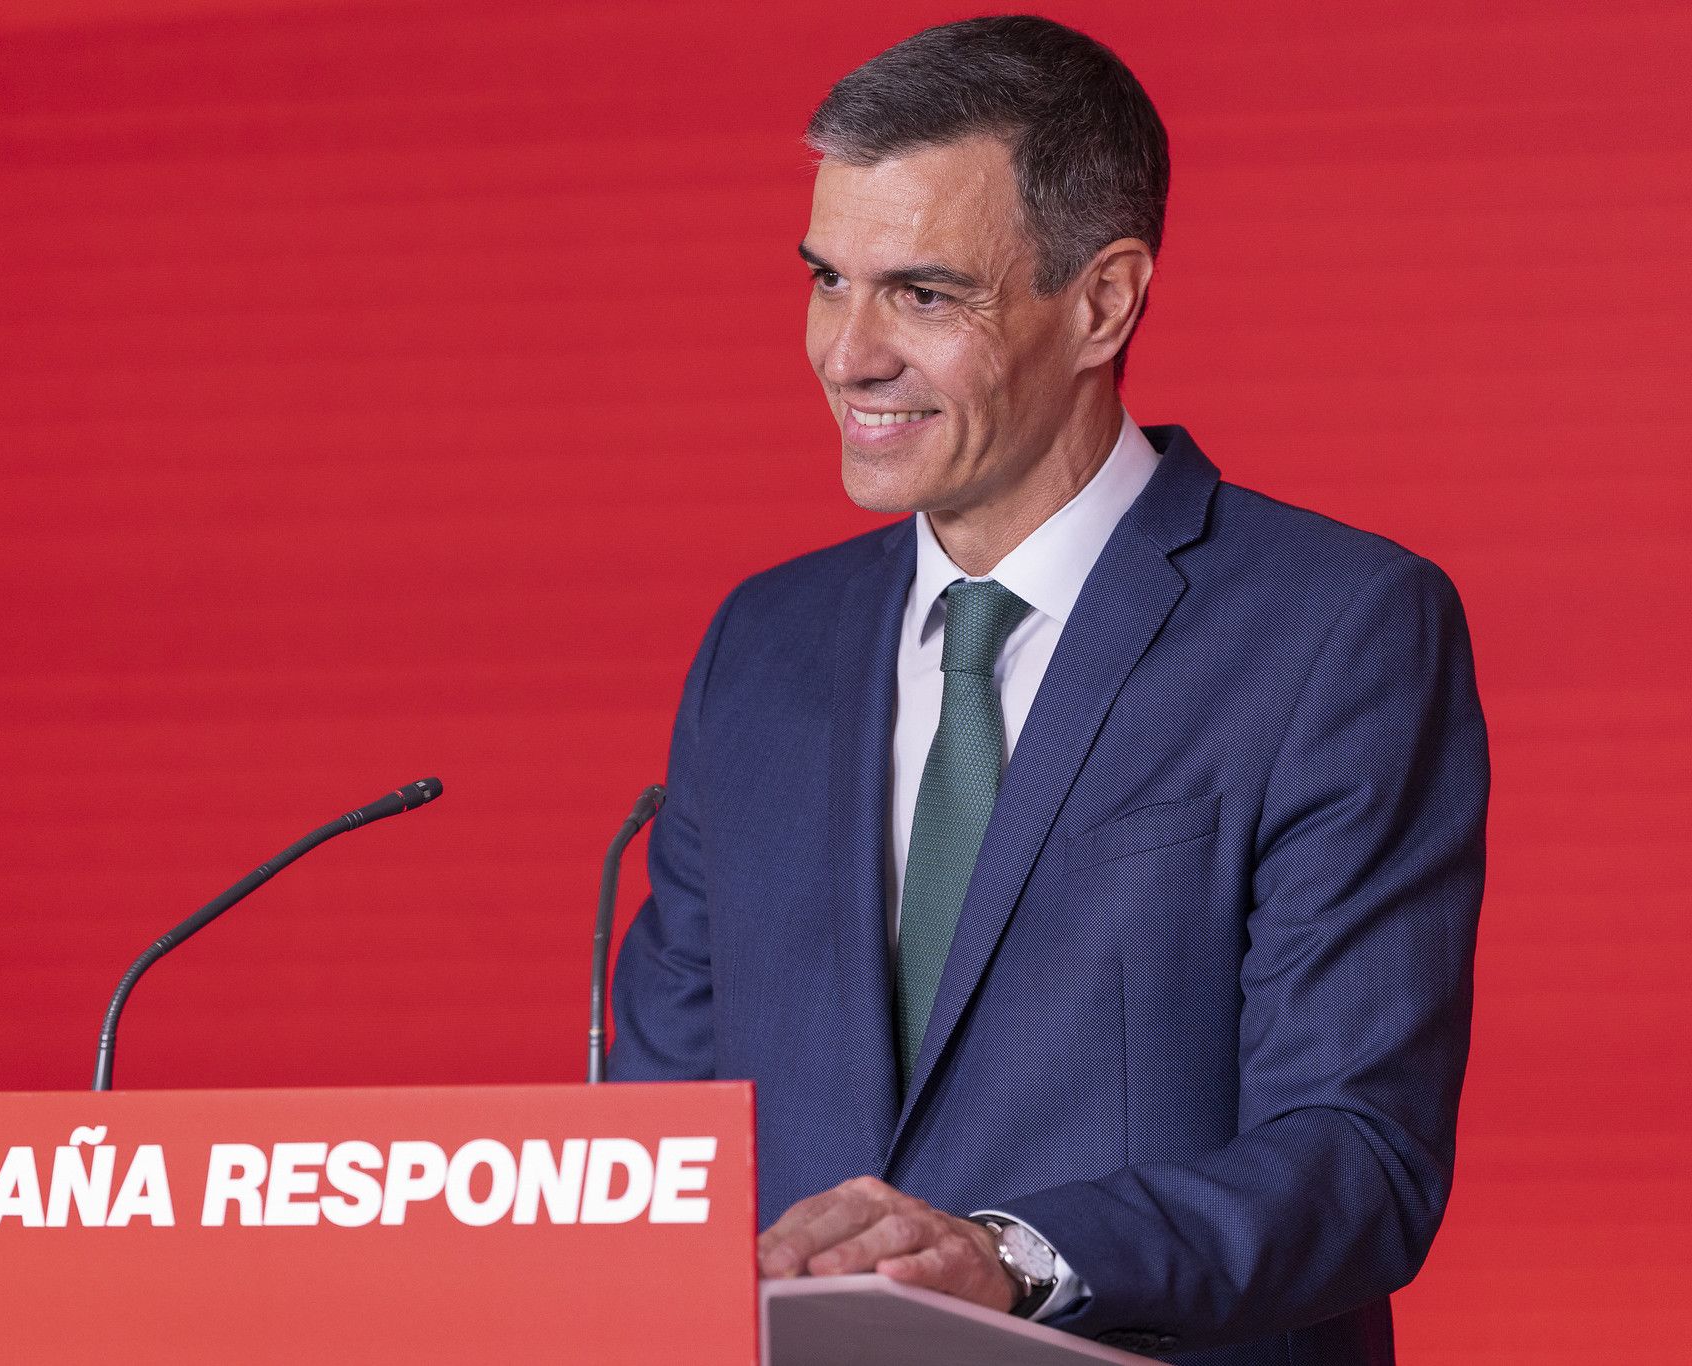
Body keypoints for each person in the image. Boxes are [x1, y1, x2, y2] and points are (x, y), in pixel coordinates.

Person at [607, 15, 1489, 1365]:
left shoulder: (1339, 628)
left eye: (922, 293)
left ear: (1102, 301)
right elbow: (656, 1147)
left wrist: (1015, 1258)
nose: (848, 354)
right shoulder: (760, 649)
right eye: (827, 278)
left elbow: (1359, 1158)